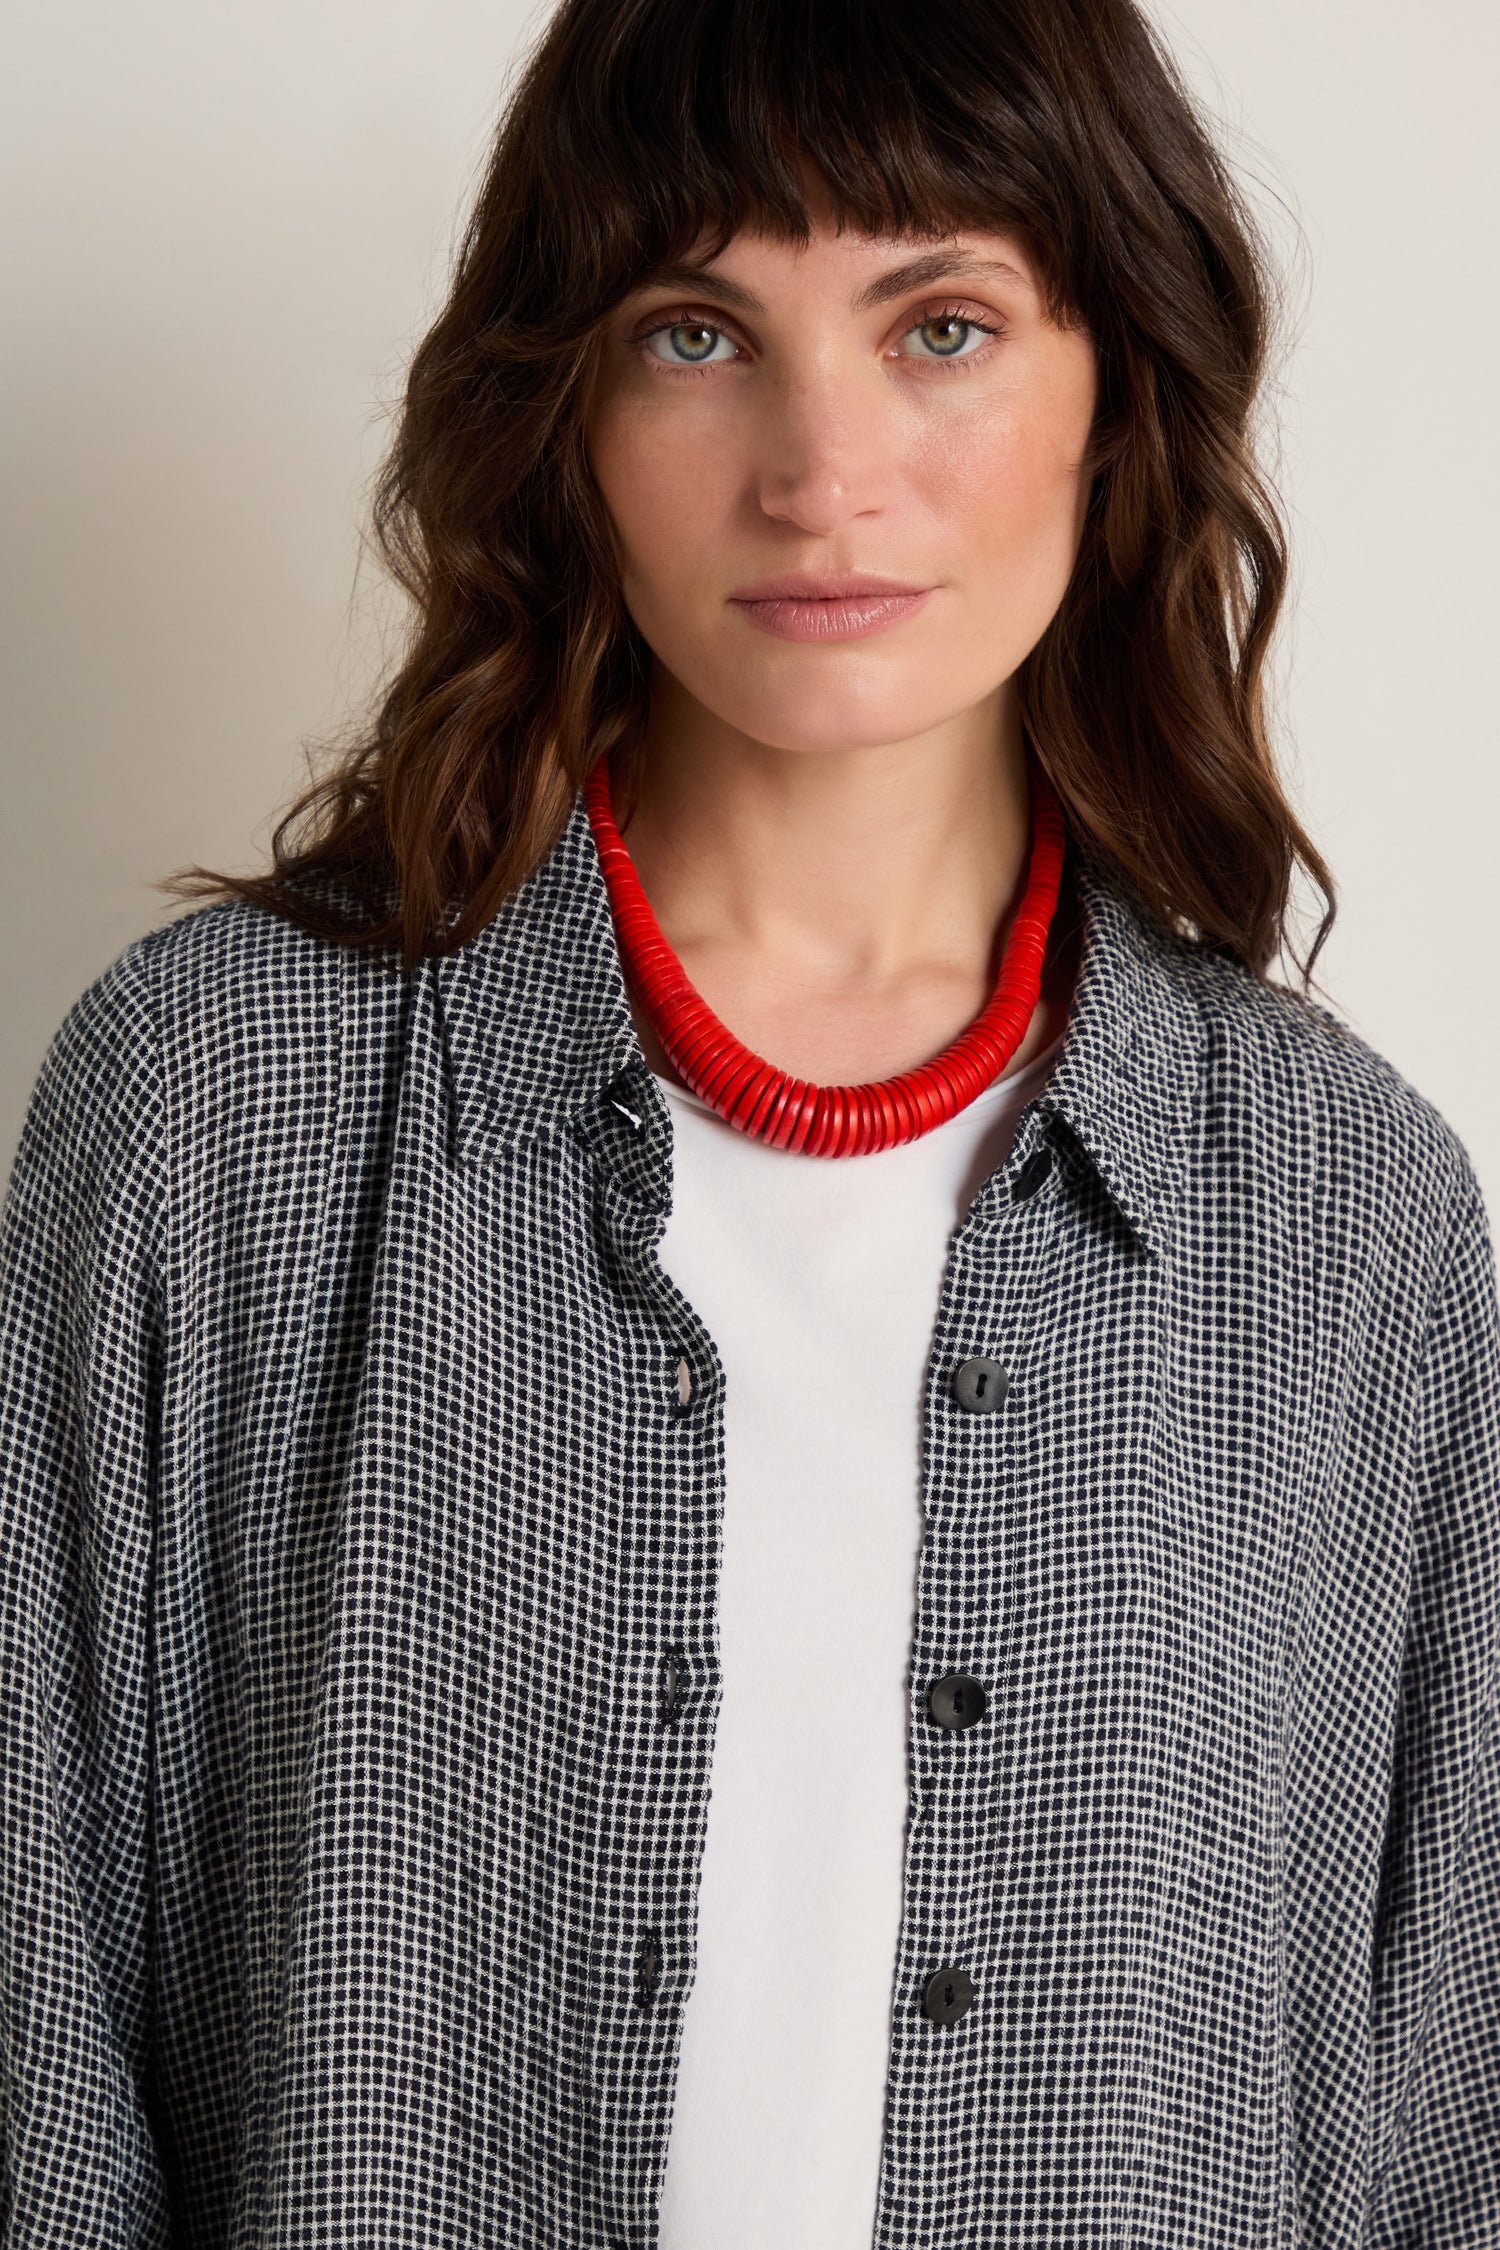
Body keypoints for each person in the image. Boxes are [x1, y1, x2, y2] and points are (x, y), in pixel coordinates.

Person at [2, 0, 1496, 2243]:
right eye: (698, 333)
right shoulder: (213, 1116)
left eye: (945, 324)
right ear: (566, 410)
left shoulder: (1342, 1211)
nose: (822, 469)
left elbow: (1439, 2118)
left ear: (1119, 396)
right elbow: (42, 2042)